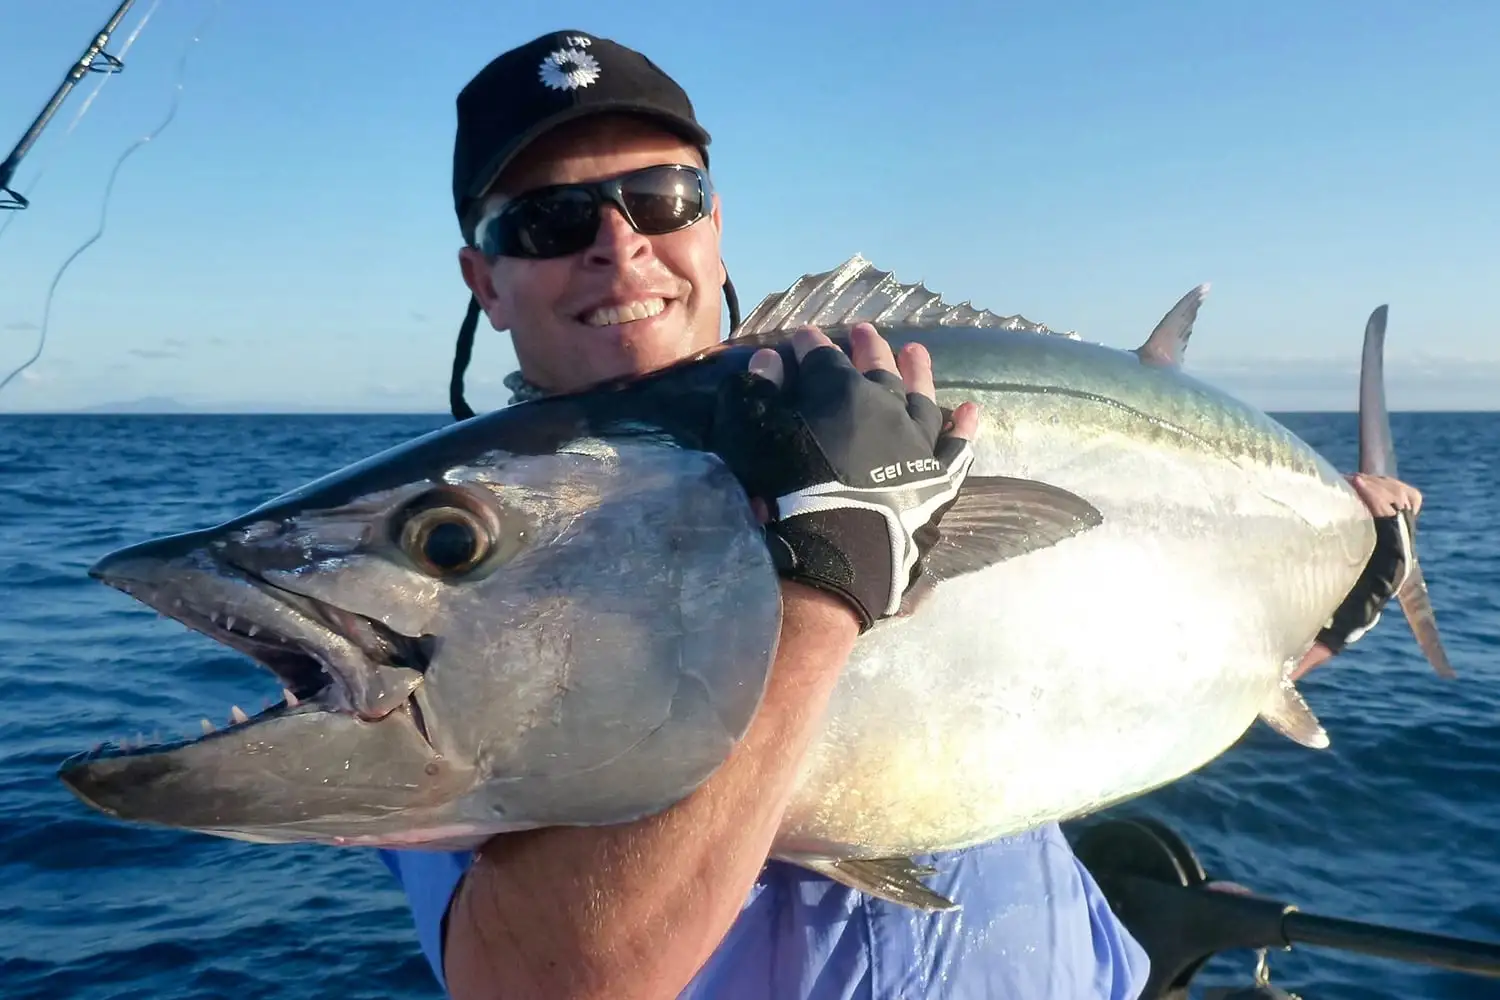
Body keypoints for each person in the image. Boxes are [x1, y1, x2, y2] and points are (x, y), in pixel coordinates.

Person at [378, 29, 1424, 1000]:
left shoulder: (879, 405)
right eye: (550, 220)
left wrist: (1319, 622)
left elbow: (1073, 663)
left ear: (711, 222)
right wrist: (823, 587)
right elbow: (539, 981)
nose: (620, 245)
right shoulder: (450, 601)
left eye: (661, 196)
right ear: (486, 279)